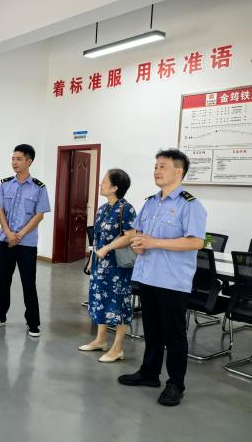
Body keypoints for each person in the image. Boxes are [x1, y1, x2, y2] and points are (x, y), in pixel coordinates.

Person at [118, 149, 206, 407]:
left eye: (163, 166)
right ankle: (149, 373)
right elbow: (139, 233)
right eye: (155, 166)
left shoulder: (190, 205)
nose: (156, 171)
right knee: (152, 330)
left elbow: (196, 242)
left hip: (172, 280)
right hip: (148, 276)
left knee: (174, 335)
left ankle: (176, 384)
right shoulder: (150, 202)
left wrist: (154, 242)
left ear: (179, 171)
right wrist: (138, 244)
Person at [0, 144, 50, 337]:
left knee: (28, 283)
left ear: (29, 161)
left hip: (27, 244)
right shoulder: (5, 184)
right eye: (13, 158)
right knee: (3, 281)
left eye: (19, 159)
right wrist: (8, 233)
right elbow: (0, 210)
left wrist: (19, 235)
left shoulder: (39, 187)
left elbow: (39, 215)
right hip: (6, 241)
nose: (14, 162)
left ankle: (33, 322)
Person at [79, 169, 136, 362]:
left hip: (118, 266)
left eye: (104, 181)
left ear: (114, 188)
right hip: (100, 264)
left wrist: (108, 248)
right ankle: (100, 340)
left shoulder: (126, 209)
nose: (100, 184)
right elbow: (97, 239)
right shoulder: (102, 209)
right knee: (99, 300)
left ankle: (117, 348)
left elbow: (130, 236)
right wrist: (91, 260)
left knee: (118, 304)